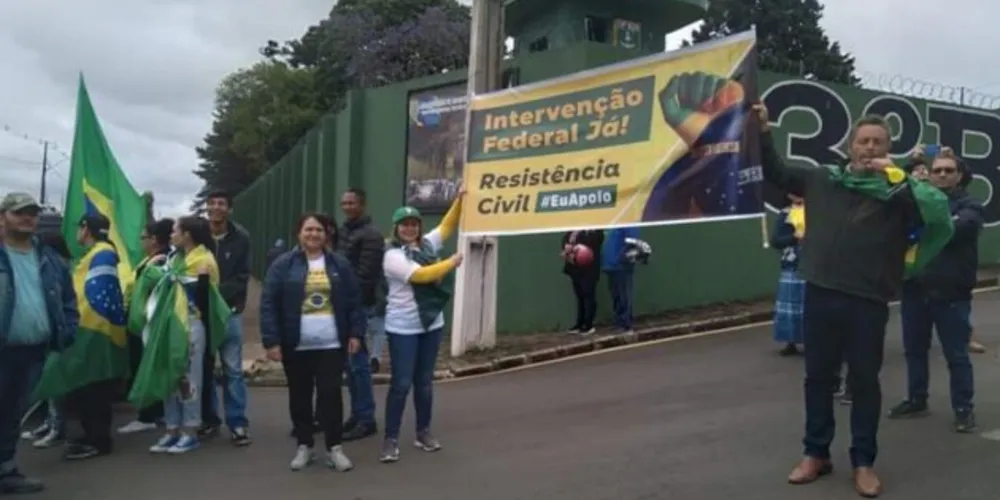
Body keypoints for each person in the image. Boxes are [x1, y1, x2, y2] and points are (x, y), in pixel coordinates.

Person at [756, 103, 953, 498]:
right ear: (851, 145)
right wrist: (761, 131)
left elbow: (928, 215)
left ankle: (863, 461)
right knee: (818, 379)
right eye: (863, 141)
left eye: (878, 143)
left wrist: (895, 177)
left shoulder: (901, 191)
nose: (869, 148)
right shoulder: (822, 178)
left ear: (889, 148)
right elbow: (777, 172)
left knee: (864, 381)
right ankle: (816, 454)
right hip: (821, 292)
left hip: (868, 300)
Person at [260, 213, 364, 471]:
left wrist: (355, 333)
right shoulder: (283, 265)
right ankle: (304, 445)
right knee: (300, 396)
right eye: (308, 229)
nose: (313, 234)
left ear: (326, 234)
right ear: (299, 234)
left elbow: (354, 301)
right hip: (296, 344)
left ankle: (334, 448)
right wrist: (272, 341)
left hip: (331, 344)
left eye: (318, 230)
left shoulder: (339, 264)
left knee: (331, 395)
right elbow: (268, 304)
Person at [889, 148, 982, 432]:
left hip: (951, 293)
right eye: (937, 170)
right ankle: (917, 399)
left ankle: (963, 408)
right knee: (915, 350)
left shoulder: (970, 206)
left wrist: (923, 225)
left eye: (948, 171)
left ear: (960, 176)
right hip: (915, 290)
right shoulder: (919, 202)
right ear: (928, 174)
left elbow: (951, 230)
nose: (942, 175)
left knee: (957, 355)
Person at [0, 192, 79, 494]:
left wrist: (67, 330)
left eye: (32, 212)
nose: (27, 217)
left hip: (34, 353)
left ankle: (7, 472)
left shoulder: (50, 258)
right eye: (19, 212)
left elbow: (69, 300)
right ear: (3, 216)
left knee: (12, 415)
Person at [379, 189, 465, 463]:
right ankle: (390, 438)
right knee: (402, 384)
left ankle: (423, 432)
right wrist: (451, 263)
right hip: (403, 327)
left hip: (431, 324)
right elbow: (421, 275)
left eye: (414, 223)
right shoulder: (392, 255)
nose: (409, 228)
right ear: (396, 228)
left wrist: (460, 199)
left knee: (424, 383)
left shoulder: (427, 245)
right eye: (404, 224)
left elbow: (447, 226)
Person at [147, 216, 220, 454]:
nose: (171, 235)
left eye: (176, 231)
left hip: (191, 324)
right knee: (170, 375)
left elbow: (205, 300)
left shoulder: (204, 260)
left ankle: (190, 430)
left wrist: (198, 280)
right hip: (170, 325)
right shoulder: (174, 259)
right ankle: (171, 428)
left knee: (189, 378)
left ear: (188, 234)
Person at [60, 214, 128, 461]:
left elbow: (96, 297)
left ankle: (98, 441)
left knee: (94, 389)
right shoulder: (95, 254)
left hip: (94, 332)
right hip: (90, 329)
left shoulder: (102, 254)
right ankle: (90, 435)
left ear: (86, 229)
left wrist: (77, 325)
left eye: (79, 227)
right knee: (87, 388)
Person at [200, 191, 252, 446]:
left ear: (229, 209)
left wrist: (215, 294)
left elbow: (243, 276)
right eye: (212, 203)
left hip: (229, 312)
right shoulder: (198, 235)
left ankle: (238, 423)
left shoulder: (241, 238)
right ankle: (209, 420)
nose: (216, 207)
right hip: (201, 315)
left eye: (221, 203)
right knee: (204, 369)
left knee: (232, 370)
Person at [116, 219, 174, 435]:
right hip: (141, 324)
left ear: (154, 240)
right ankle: (154, 413)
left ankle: (148, 415)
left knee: (145, 368)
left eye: (143, 237)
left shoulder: (159, 262)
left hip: (147, 325)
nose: (140, 241)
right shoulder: (151, 260)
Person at [337, 188, 383, 442]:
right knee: (350, 367)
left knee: (359, 366)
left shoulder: (371, 235)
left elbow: (365, 276)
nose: (347, 206)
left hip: (359, 307)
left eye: (351, 203)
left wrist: (345, 297)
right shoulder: (345, 231)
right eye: (344, 203)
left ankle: (366, 418)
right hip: (343, 307)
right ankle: (356, 414)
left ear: (362, 205)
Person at [20, 231, 72, 449]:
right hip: (44, 333)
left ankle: (57, 427)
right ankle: (49, 422)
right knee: (46, 384)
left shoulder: (58, 267)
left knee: (54, 384)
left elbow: (66, 302)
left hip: (56, 334)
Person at [770, 194, 805, 356]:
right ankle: (790, 341)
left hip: (813, 265)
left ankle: (813, 341)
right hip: (791, 265)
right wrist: (794, 238)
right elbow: (776, 240)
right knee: (790, 308)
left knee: (810, 307)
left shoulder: (820, 211)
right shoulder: (785, 214)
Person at [561, 229, 604, 335]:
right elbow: (565, 239)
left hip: (589, 269)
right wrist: (566, 247)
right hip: (575, 269)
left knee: (588, 296)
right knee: (579, 296)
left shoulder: (595, 231)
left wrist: (576, 247)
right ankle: (579, 323)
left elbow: (596, 240)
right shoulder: (573, 230)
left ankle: (588, 324)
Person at [602, 226, 640, 334]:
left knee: (624, 296)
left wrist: (622, 258)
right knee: (616, 296)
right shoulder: (610, 226)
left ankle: (627, 324)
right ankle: (618, 322)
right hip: (610, 266)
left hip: (622, 267)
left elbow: (634, 243)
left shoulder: (629, 225)